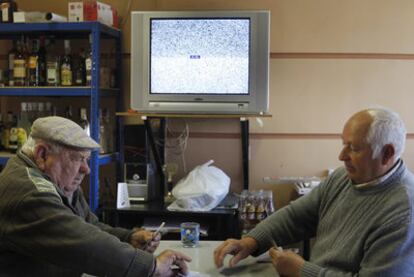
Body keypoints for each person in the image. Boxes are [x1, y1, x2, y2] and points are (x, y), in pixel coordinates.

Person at [214, 107, 414, 276]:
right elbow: (297, 217)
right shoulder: (342, 178)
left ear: (387, 153)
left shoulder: (403, 212)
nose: (341, 155)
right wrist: (251, 241)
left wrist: (303, 271)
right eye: (344, 144)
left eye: (353, 148)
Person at [0, 116, 191, 276]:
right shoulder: (29, 193)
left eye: (87, 159)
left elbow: (87, 227)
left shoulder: (55, 180)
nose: (87, 169)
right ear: (42, 155)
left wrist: (127, 237)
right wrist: (152, 267)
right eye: (77, 158)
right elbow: (82, 241)